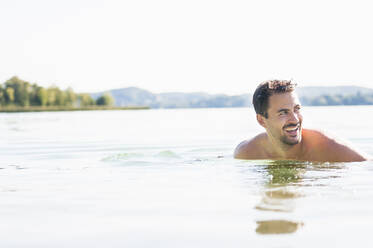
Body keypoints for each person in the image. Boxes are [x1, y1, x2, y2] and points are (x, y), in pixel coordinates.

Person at [234, 80, 369, 162]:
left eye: (296, 109)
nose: (295, 119)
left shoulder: (329, 147)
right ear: (262, 121)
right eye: (283, 112)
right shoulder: (246, 153)